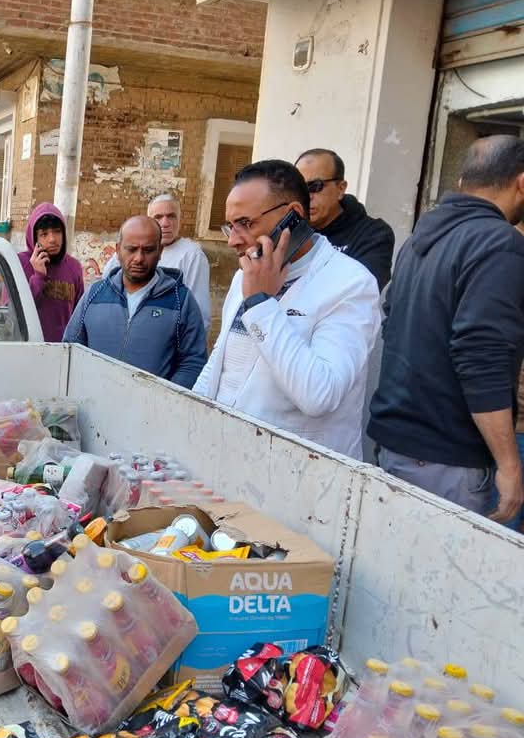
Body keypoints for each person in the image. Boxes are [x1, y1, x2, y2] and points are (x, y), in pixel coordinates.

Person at [368, 136, 524, 521]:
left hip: (398, 444)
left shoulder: (421, 238)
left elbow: (391, 320)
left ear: (462, 181)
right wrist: (509, 464)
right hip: (446, 460)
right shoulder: (500, 243)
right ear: (521, 183)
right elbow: (481, 354)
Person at [193, 160, 380, 459]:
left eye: (246, 223)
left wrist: (260, 304)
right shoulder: (246, 273)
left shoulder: (351, 284)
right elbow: (221, 361)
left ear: (292, 216)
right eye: (230, 225)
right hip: (225, 455)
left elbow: (320, 395)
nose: (232, 240)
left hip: (295, 470)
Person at [63, 215, 207, 387]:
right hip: (94, 399)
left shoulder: (180, 301)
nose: (139, 258)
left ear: (160, 251)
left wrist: (164, 398)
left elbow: (193, 362)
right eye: (131, 249)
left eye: (148, 250)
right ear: (118, 250)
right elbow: (71, 346)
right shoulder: (95, 294)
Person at [102, 194, 211, 330]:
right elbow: (105, 288)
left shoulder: (192, 255)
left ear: (179, 220)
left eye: (171, 216)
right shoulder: (128, 249)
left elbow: (198, 313)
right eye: (158, 217)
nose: (165, 223)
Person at [294, 148, 395, 290]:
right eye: (299, 188)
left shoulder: (372, 234)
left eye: (315, 186)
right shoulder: (289, 229)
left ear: (341, 189)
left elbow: (363, 291)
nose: (306, 196)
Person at [19, 203, 84, 342]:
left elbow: (80, 316)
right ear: (34, 238)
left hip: (63, 350)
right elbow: (12, 314)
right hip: (28, 348)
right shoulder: (21, 264)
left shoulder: (74, 267)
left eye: (57, 231)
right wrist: (38, 277)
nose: (52, 239)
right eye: (44, 234)